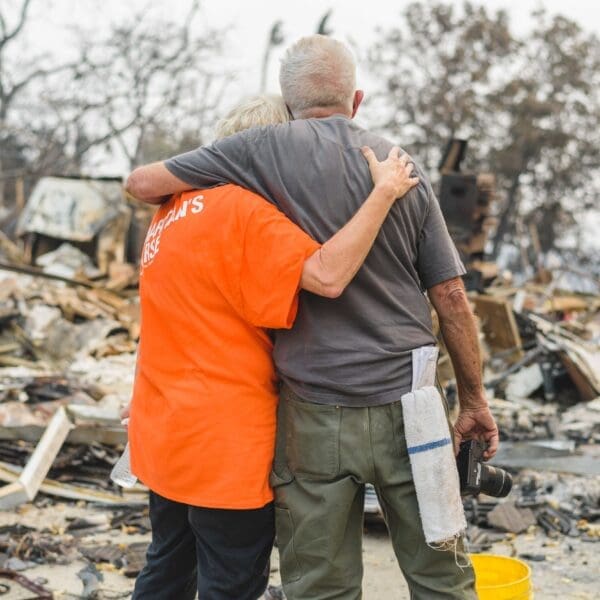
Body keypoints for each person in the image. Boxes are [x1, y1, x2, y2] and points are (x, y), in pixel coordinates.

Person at [126, 36, 499, 600]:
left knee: (310, 586)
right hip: (400, 405)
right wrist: (474, 402)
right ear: (356, 99)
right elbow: (441, 295)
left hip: (272, 419)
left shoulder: (214, 187)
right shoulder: (395, 166)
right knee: (441, 575)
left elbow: (143, 184)